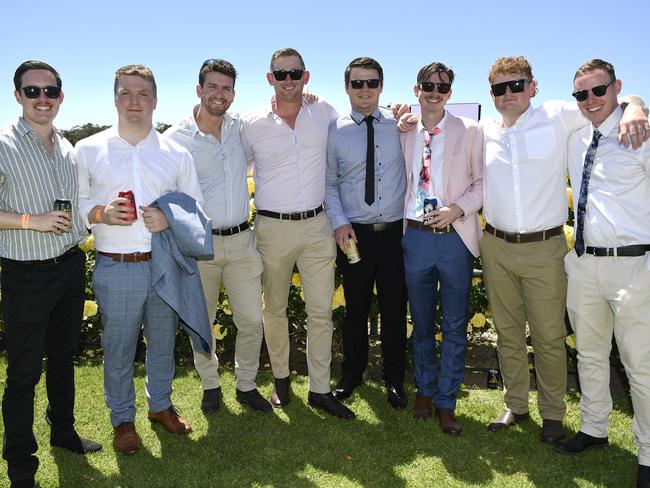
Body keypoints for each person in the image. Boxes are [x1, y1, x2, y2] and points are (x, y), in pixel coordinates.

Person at [480, 56, 648, 443]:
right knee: (507, 333)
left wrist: (636, 103)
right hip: (496, 246)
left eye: (517, 85)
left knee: (549, 336)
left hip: (545, 247)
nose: (509, 94)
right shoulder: (484, 131)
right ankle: (516, 405)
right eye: (500, 88)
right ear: (491, 95)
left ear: (533, 87)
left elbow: (607, 107)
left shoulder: (559, 116)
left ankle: (553, 413)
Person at [75, 64, 204, 455]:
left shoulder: (175, 153)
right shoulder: (89, 149)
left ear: (155, 99)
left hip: (163, 263)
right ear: (115, 97)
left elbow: (196, 207)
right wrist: (100, 213)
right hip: (116, 265)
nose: (135, 101)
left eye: (143, 93)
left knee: (163, 342)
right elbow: (73, 201)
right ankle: (123, 420)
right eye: (126, 93)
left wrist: (168, 218)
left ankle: (159, 406)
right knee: (118, 348)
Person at [0, 60, 101, 488]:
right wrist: (29, 221)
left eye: (51, 91)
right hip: (25, 272)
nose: (43, 99)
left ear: (60, 96)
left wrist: (98, 218)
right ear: (18, 95)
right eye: (33, 91)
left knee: (63, 357)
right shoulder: (3, 144)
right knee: (24, 371)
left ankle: (63, 432)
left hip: (68, 264)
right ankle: (22, 466)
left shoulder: (67, 147)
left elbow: (75, 207)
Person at [240, 48, 354, 419]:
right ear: (270, 78)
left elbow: (356, 135)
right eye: (282, 74)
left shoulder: (325, 112)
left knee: (320, 311)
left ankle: (320, 389)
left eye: (296, 73)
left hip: (318, 227)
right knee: (274, 309)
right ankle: (282, 378)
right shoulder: (250, 123)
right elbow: (227, 165)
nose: (289, 80)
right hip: (272, 228)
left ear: (307, 76)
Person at [554, 59, 650, 488]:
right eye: (582, 94)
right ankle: (594, 429)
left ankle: (648, 453)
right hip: (585, 263)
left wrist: (637, 107)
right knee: (590, 354)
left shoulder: (641, 135)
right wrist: (634, 103)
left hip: (634, 265)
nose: (590, 101)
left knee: (640, 365)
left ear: (617, 88)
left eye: (599, 91)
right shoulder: (577, 134)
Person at [165, 59, 271, 413]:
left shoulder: (240, 129)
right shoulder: (175, 138)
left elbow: (276, 117)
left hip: (242, 241)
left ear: (233, 94)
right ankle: (210, 384)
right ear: (199, 89)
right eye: (212, 86)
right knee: (201, 323)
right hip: (200, 245)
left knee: (252, 320)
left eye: (226, 88)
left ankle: (246, 384)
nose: (219, 94)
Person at [400, 62, 483, 434]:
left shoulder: (471, 131)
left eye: (442, 86)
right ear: (416, 89)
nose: (435, 91)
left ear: (450, 92)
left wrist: (456, 209)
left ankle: (447, 401)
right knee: (419, 323)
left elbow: (483, 183)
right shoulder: (401, 130)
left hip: (456, 239)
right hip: (415, 237)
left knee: (453, 325)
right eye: (427, 85)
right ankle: (425, 389)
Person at [324, 57, 408, 409]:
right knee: (355, 310)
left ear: (381, 86)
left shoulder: (403, 124)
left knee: (393, 311)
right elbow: (329, 184)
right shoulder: (335, 130)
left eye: (371, 83)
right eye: (357, 83)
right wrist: (340, 223)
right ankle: (352, 374)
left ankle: (394, 380)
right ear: (346, 87)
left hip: (394, 235)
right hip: (354, 235)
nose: (364, 89)